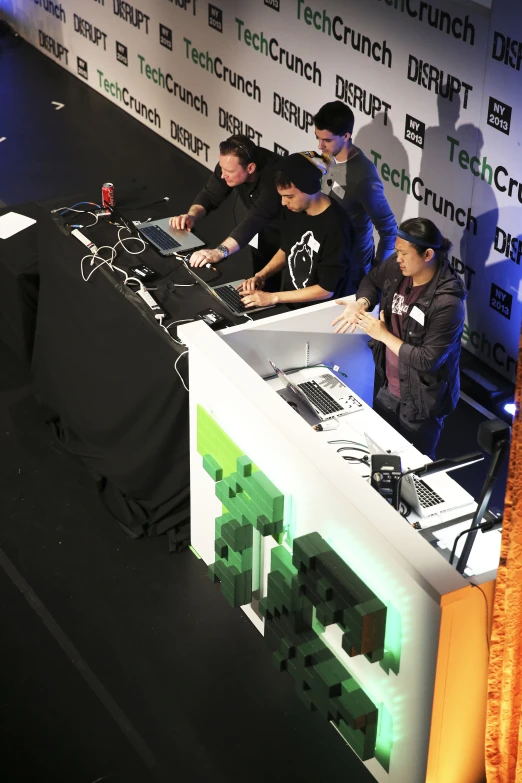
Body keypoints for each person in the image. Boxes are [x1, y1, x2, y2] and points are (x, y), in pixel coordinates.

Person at [331, 217, 466, 460]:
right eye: (396, 252)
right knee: (378, 456)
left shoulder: (448, 303)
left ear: (427, 255)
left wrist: (382, 334)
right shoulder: (398, 267)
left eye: (403, 253)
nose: (398, 259)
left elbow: (428, 360)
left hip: (422, 402)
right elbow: (371, 280)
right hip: (389, 387)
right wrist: (361, 302)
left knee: (415, 468)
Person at [239, 151, 354, 309]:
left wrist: (273, 297)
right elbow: (287, 248)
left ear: (310, 188)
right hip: (292, 304)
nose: (283, 202)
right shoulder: (294, 210)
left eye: (289, 196)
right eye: (281, 196)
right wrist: (261, 275)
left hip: (319, 313)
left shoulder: (337, 227)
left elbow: (326, 289)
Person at [313, 100, 397, 289]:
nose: (320, 146)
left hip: (352, 270)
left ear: (346, 136)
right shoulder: (328, 158)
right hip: (327, 258)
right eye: (318, 138)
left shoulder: (363, 177)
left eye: (326, 140)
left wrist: (377, 274)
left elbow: (389, 229)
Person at [169, 135, 282, 273]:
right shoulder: (228, 163)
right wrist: (191, 216)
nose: (223, 175)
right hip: (263, 230)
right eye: (222, 168)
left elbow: (253, 221)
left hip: (291, 232)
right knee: (262, 277)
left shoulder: (274, 178)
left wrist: (219, 252)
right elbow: (210, 195)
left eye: (229, 171)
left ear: (250, 168)